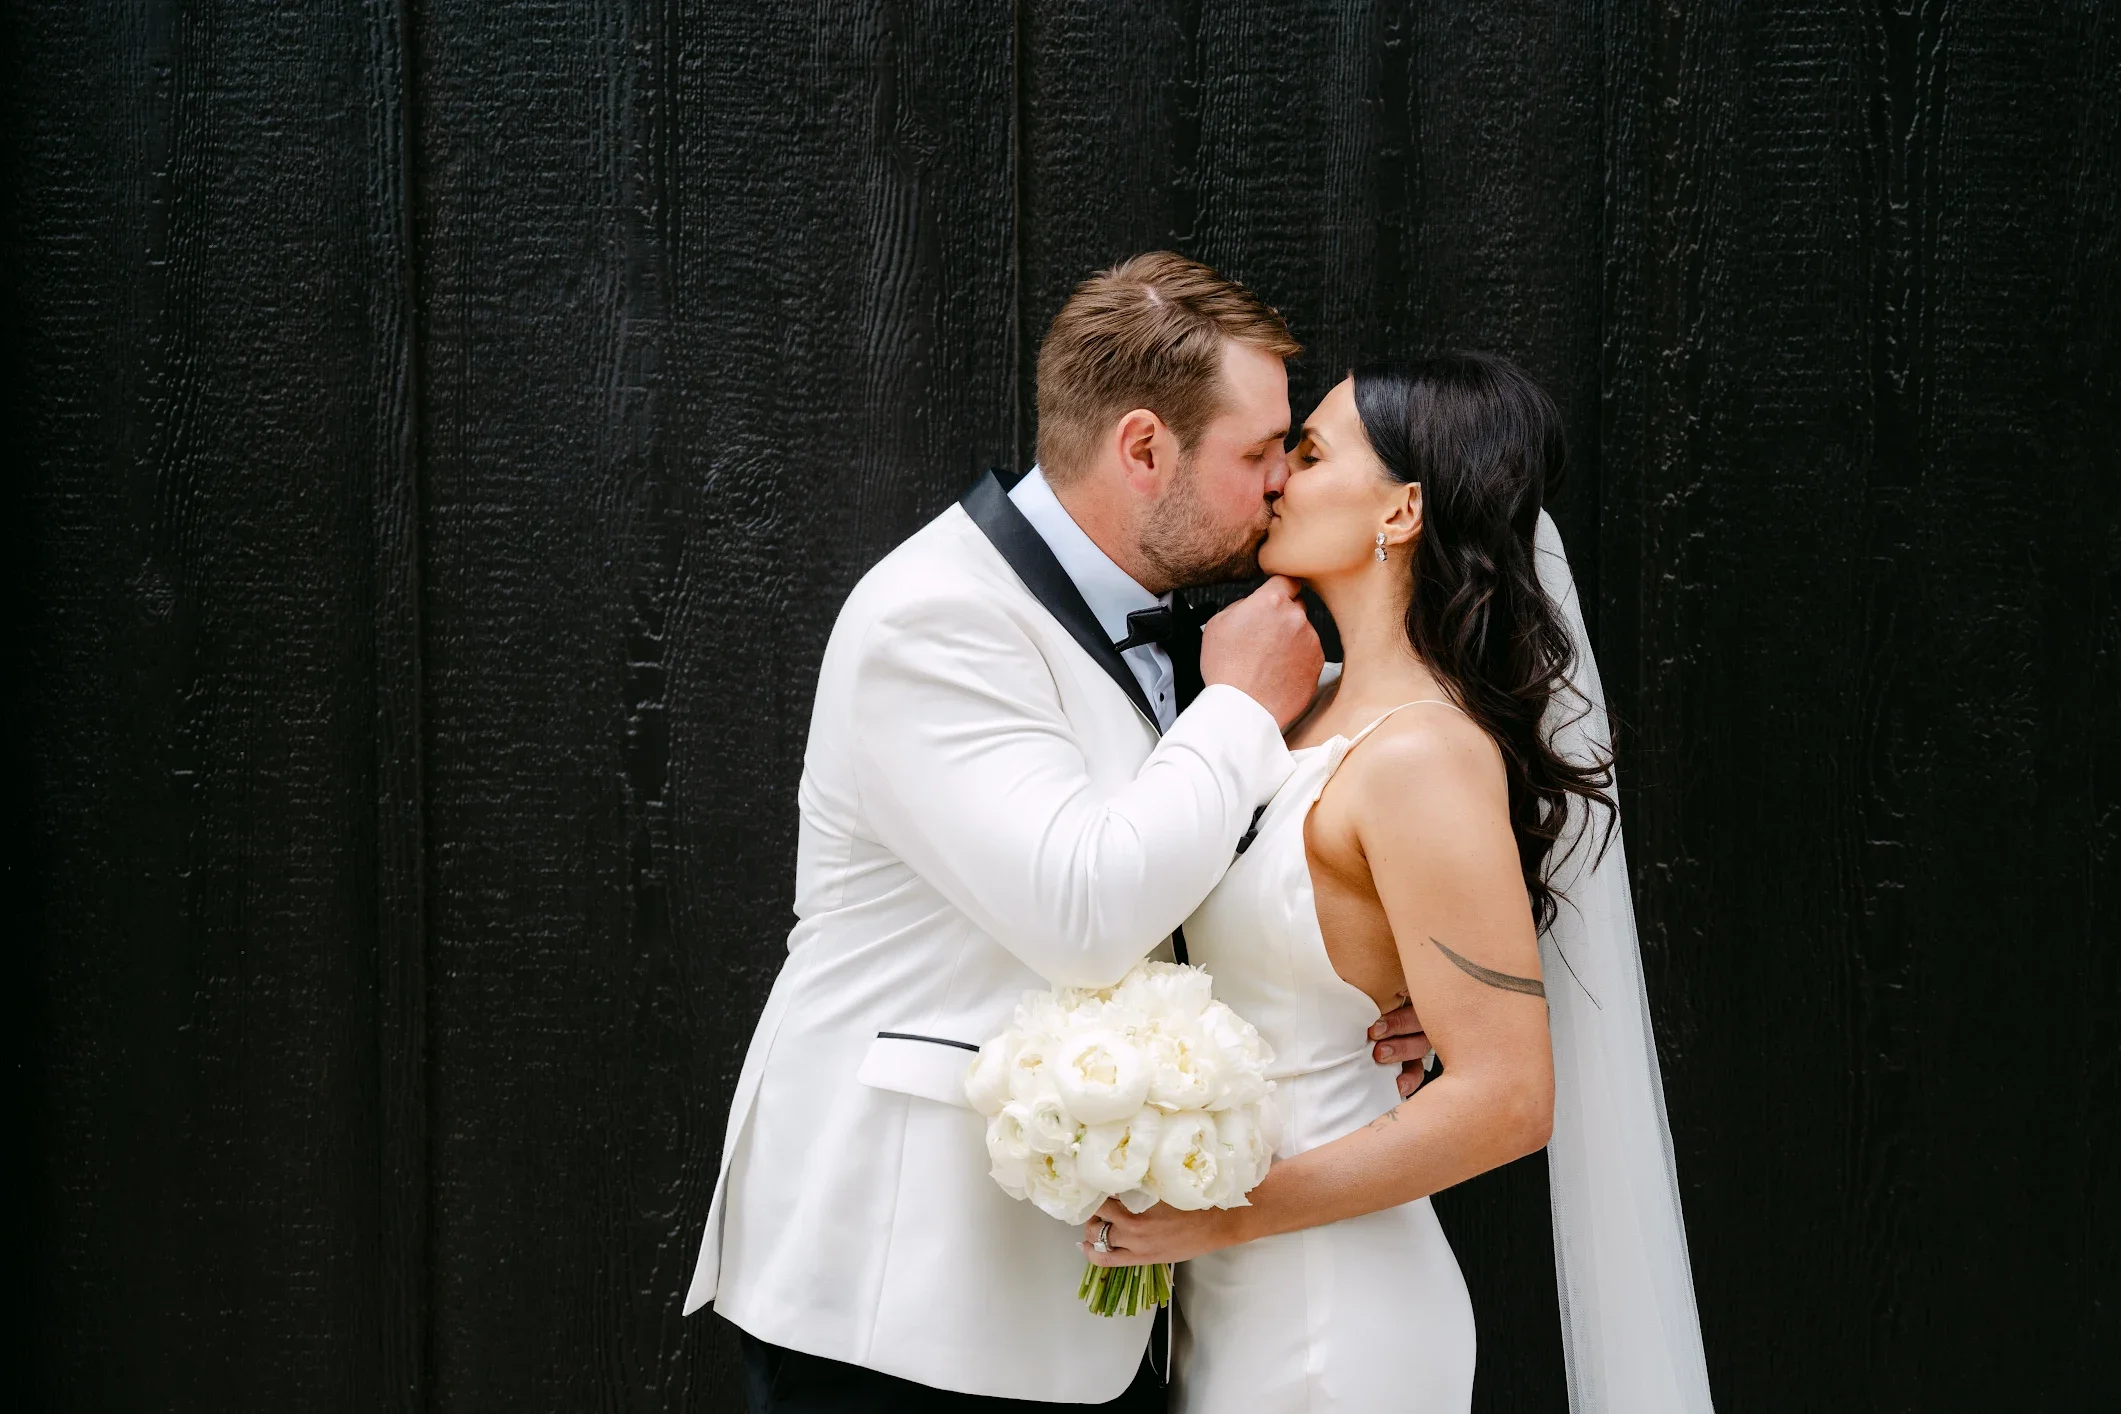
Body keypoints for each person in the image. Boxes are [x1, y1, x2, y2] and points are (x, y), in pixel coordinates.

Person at [683, 253, 1434, 1410]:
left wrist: (1377, 983)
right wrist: (1238, 706)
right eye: (1256, 453)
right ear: (1143, 449)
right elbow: (1084, 913)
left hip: (1107, 1307)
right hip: (906, 1310)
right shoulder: (933, 618)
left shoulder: (1195, 621)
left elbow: (1214, 880)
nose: (1281, 480)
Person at [1076, 354, 1716, 1413]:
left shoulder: (1422, 753)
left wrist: (1228, 1215)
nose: (1277, 477)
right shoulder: (1296, 708)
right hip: (1223, 1299)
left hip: (1333, 1319)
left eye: (1310, 453)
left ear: (1402, 509)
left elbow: (1507, 1100)